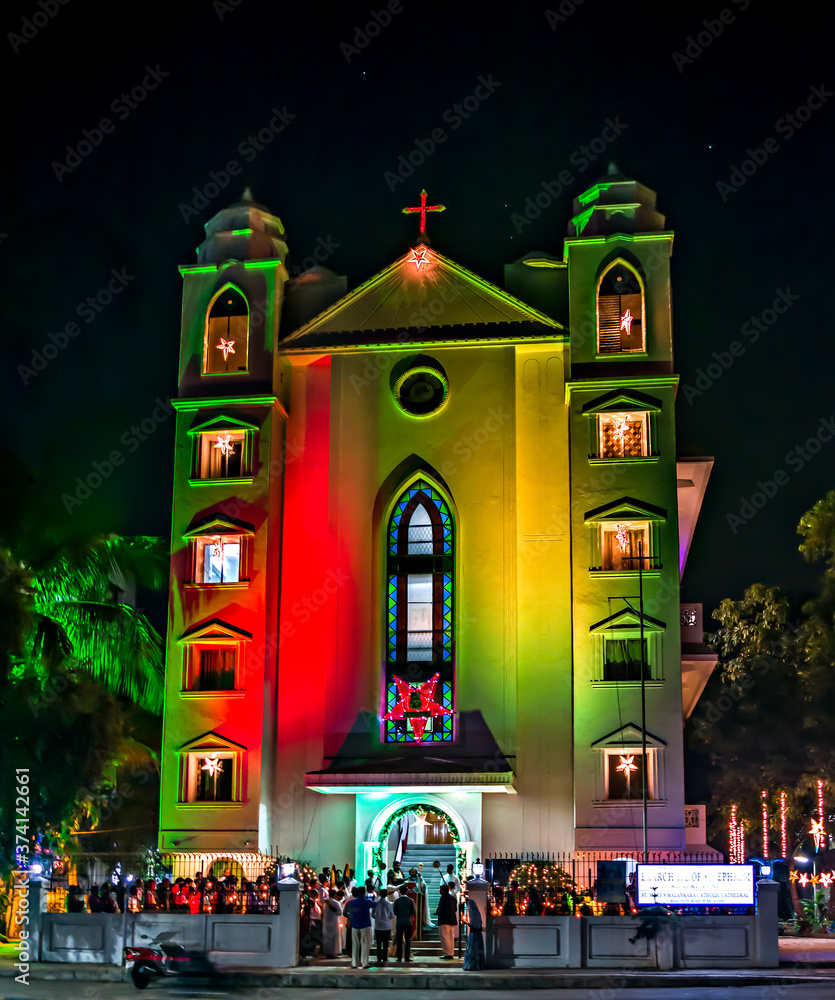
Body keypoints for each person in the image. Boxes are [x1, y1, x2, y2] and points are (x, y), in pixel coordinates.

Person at [347, 886, 375, 969]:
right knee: (365, 944)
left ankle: (354, 963)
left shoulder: (352, 902)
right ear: (364, 892)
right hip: (365, 925)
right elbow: (374, 904)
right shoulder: (367, 902)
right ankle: (364, 963)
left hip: (354, 924)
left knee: (355, 944)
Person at [392, 887, 415, 963]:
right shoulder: (410, 901)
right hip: (408, 922)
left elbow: (395, 912)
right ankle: (407, 957)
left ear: (399, 892)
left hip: (399, 922)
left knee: (399, 940)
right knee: (408, 940)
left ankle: (399, 957)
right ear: (406, 891)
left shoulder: (397, 901)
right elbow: (413, 912)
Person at [372, 888, 394, 965]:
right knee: (385, 943)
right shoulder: (389, 904)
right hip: (386, 926)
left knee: (378, 943)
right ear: (386, 894)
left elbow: (372, 915)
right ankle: (384, 957)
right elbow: (392, 915)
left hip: (378, 925)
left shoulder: (376, 903)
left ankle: (378, 958)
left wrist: (378, 918)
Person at [463, 895, 485, 970]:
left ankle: (472, 965)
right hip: (478, 934)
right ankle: (479, 965)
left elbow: (474, 925)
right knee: (477, 949)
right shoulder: (477, 913)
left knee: (472, 949)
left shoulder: (472, 914)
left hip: (474, 934)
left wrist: (467, 922)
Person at [436, 883, 457, 959]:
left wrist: (437, 912)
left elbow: (441, 908)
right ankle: (451, 952)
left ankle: (447, 953)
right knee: (451, 937)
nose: (439, 891)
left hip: (444, 920)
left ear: (443, 891)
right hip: (452, 919)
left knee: (445, 937)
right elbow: (455, 909)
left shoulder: (443, 898)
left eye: (440, 890)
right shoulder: (453, 898)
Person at [322, 889, 344, 959]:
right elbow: (340, 913)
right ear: (335, 895)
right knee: (333, 938)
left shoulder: (325, 902)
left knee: (327, 938)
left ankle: (327, 952)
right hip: (333, 922)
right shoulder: (335, 903)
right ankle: (333, 953)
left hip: (325, 922)